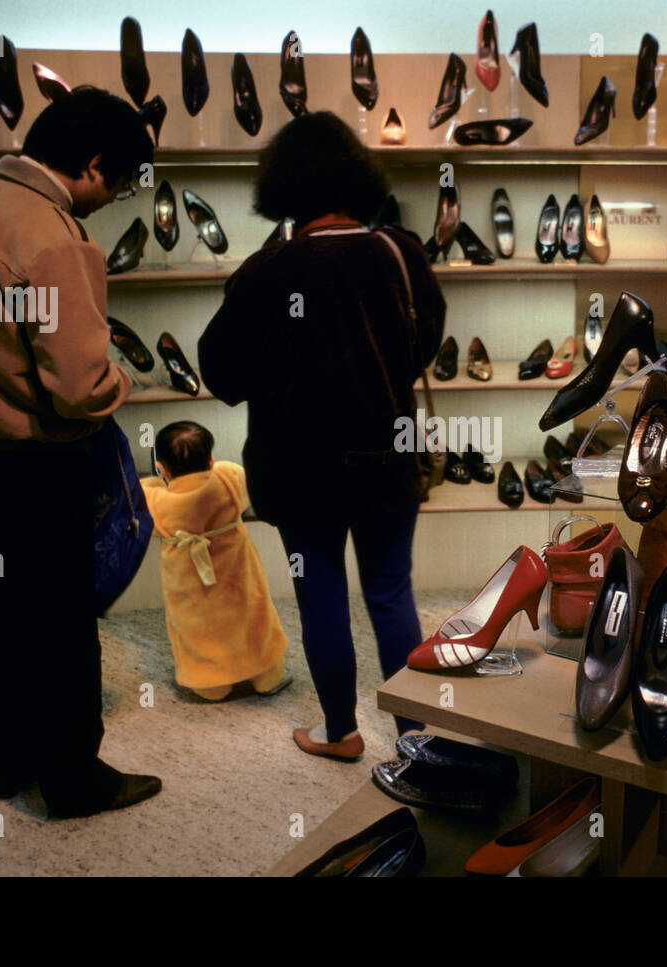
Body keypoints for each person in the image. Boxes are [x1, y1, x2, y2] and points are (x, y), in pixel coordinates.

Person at [0, 87, 161, 818]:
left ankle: (6, 757)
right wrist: (123, 377)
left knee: (3, 611)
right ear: (91, 165)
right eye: (116, 185)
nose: (110, 200)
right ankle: (72, 780)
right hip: (35, 466)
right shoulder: (55, 238)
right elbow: (80, 387)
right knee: (60, 622)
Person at [198, 112, 446, 761]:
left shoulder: (264, 271)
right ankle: (416, 738)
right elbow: (425, 344)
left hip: (298, 470)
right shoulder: (400, 251)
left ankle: (341, 731)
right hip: (387, 461)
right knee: (392, 593)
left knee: (322, 594)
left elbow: (220, 371)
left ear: (283, 188)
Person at [141, 420, 292, 701]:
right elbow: (233, 470)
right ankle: (266, 676)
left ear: (162, 468)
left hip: (190, 589)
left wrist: (154, 481)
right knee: (253, 616)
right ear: (210, 460)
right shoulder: (227, 479)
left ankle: (210, 685)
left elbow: (138, 495)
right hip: (238, 578)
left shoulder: (157, 502)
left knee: (197, 627)